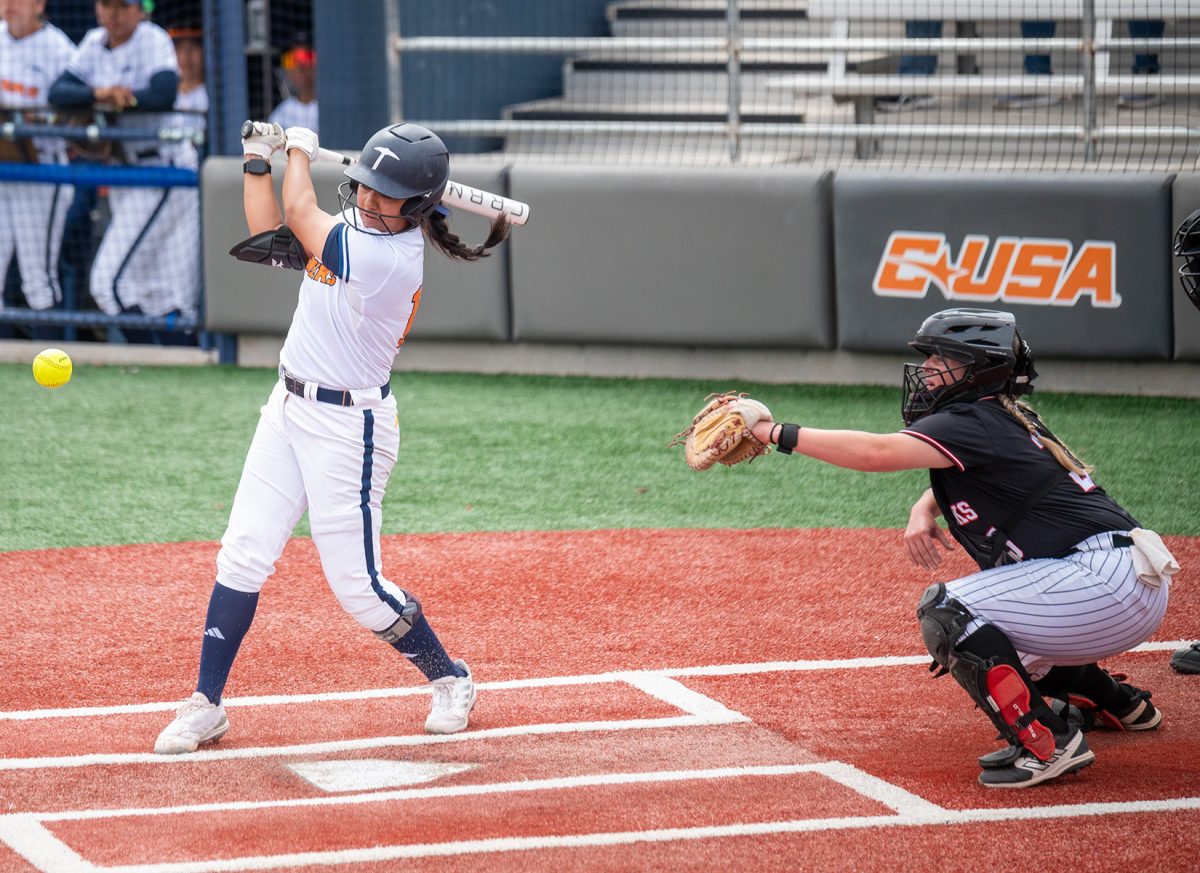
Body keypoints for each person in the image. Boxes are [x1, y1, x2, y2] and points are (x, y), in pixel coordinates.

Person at [153, 120, 510, 754]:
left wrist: (299, 145)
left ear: (419, 205)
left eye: (384, 191)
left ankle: (450, 678)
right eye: (366, 186)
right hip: (286, 407)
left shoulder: (384, 259)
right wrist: (258, 157)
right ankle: (206, 703)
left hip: (350, 428)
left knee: (359, 590)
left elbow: (300, 205)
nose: (369, 198)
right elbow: (271, 227)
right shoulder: (354, 234)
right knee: (242, 552)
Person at [736, 308, 1175, 788]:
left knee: (950, 612)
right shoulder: (1004, 415)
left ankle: (1048, 745)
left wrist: (771, 433)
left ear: (977, 367)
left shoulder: (971, 419)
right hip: (1122, 582)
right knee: (1003, 648)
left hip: (1101, 584)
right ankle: (1116, 702)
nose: (926, 369)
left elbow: (875, 453)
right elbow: (998, 475)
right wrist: (925, 506)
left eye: (941, 358)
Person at [47, 0, 200, 344]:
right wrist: (99, 94)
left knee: (109, 283)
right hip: (126, 173)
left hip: (164, 170)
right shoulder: (93, 42)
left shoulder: (152, 38)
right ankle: (164, 366)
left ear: (139, 10)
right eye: (105, 5)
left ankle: (150, 361)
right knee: (150, 291)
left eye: (120, 6)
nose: (111, 14)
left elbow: (163, 94)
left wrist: (123, 100)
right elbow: (58, 93)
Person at [0, 0, 76, 323]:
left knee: (37, 279)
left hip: (42, 168)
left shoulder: (60, 49)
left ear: (39, 4)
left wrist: (35, 121)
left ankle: (54, 368)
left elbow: (79, 116)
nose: (10, 5)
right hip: (4, 168)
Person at [268, 38, 318, 133]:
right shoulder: (282, 112)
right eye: (290, 60)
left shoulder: (328, 108)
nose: (297, 68)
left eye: (305, 57)